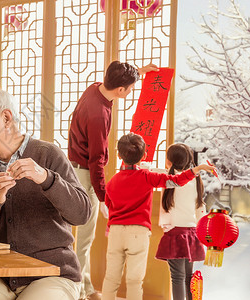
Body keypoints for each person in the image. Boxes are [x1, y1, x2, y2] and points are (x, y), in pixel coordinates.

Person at [0, 87, 91, 300]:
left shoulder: (49, 155)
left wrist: (46, 179)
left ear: (6, 118)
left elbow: (82, 214)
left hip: (53, 273)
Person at [68, 60, 158, 300]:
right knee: (84, 238)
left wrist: (139, 72)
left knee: (80, 238)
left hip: (75, 168)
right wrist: (104, 198)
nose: (130, 92)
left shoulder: (95, 88)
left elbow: (117, 80)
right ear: (120, 90)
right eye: (130, 88)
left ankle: (84, 287)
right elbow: (96, 161)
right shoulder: (100, 115)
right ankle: (79, 290)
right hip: (86, 173)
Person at [101, 133, 214, 300]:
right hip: (138, 234)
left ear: (118, 155)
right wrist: (196, 169)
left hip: (115, 232)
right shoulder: (147, 176)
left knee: (111, 278)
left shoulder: (112, 181)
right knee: (134, 280)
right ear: (144, 155)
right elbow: (176, 181)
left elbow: (109, 207)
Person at [155, 144, 206, 300]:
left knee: (177, 277)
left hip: (174, 234)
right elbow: (200, 207)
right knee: (188, 277)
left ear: (169, 161)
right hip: (191, 233)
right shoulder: (195, 180)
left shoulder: (168, 178)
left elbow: (149, 172)